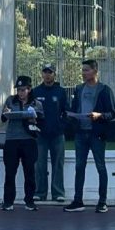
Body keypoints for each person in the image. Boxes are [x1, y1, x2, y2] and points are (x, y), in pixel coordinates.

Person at [64, 59, 115, 213]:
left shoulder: (104, 90)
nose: (83, 73)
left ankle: (102, 201)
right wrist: (71, 116)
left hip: (96, 134)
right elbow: (74, 108)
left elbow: (112, 113)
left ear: (95, 71)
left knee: (100, 166)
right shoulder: (79, 89)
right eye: (83, 70)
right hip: (81, 133)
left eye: (86, 70)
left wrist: (99, 115)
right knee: (79, 166)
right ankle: (78, 200)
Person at [0, 75, 44, 211]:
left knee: (29, 172)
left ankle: (29, 201)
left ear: (29, 89)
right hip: (12, 140)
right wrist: (6, 113)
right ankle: (8, 201)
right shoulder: (10, 100)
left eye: (23, 90)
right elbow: (3, 118)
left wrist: (34, 119)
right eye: (18, 90)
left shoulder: (36, 103)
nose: (20, 93)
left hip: (29, 140)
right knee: (10, 171)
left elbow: (41, 121)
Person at [32, 65, 68, 202]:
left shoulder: (60, 92)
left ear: (54, 74)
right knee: (39, 164)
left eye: (50, 72)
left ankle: (58, 193)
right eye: (45, 72)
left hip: (57, 134)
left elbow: (66, 111)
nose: (47, 75)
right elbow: (31, 110)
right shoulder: (35, 91)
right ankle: (39, 192)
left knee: (58, 164)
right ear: (42, 74)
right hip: (40, 134)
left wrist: (62, 125)